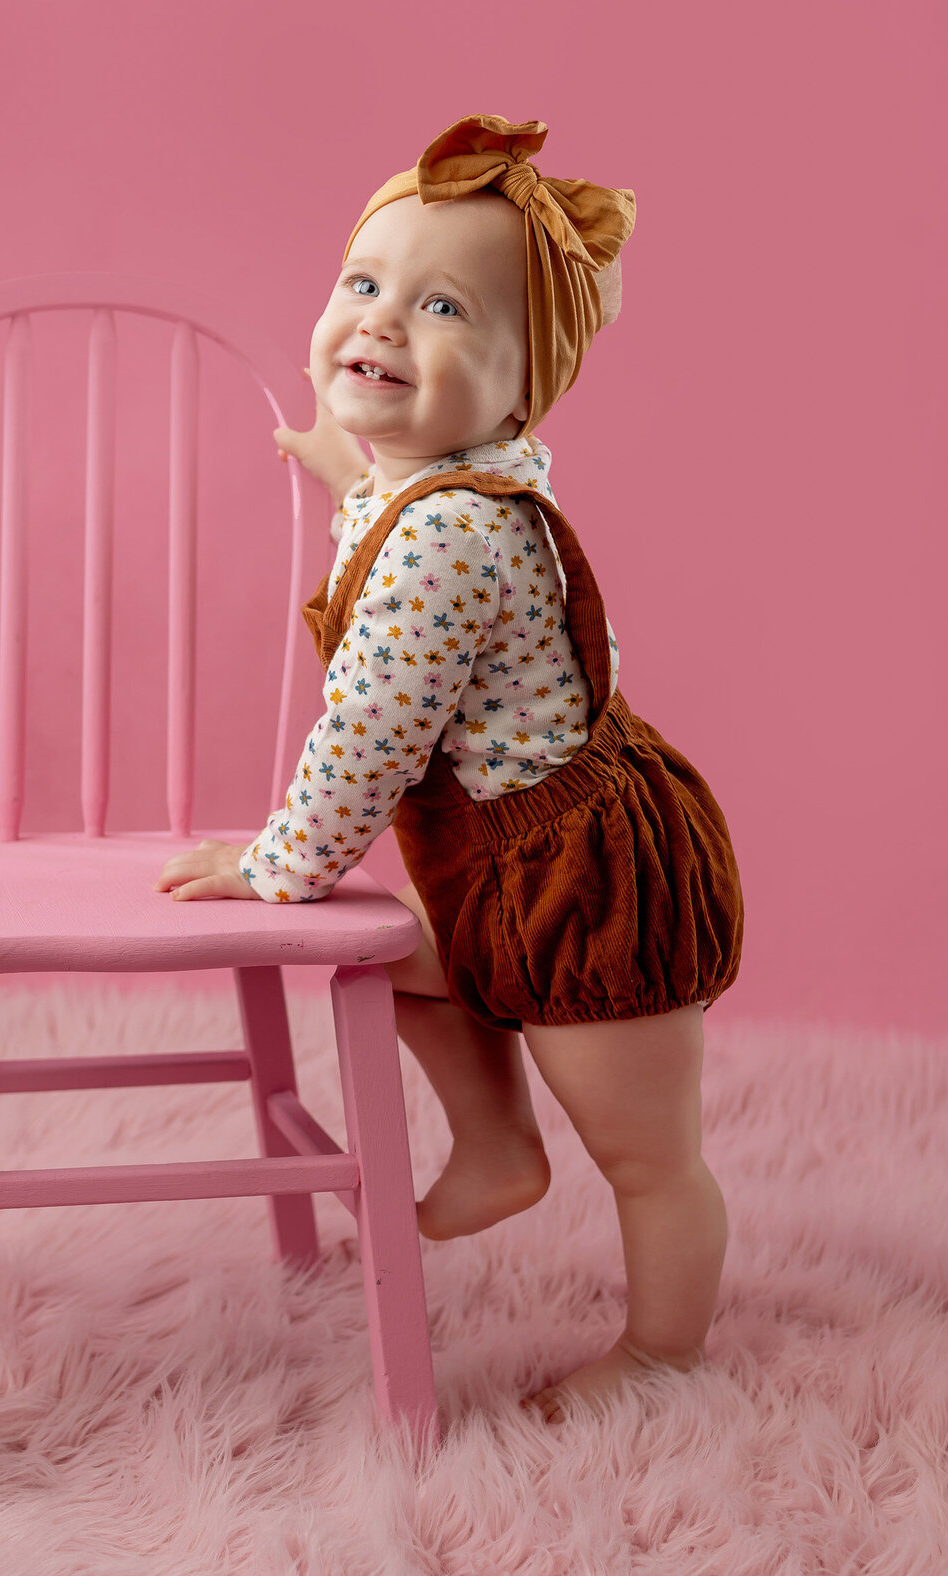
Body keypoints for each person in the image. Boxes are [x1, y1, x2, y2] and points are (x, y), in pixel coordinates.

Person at [154, 114, 744, 1424]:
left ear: (525, 387)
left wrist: (277, 867)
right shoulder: (439, 485)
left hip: (590, 879)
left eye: (441, 311)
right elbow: (403, 498)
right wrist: (342, 468)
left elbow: (368, 736)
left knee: (647, 1152)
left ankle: (666, 1351)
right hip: (499, 860)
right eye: (365, 284)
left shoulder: (452, 543)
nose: (380, 323)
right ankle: (492, 1146)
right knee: (407, 958)